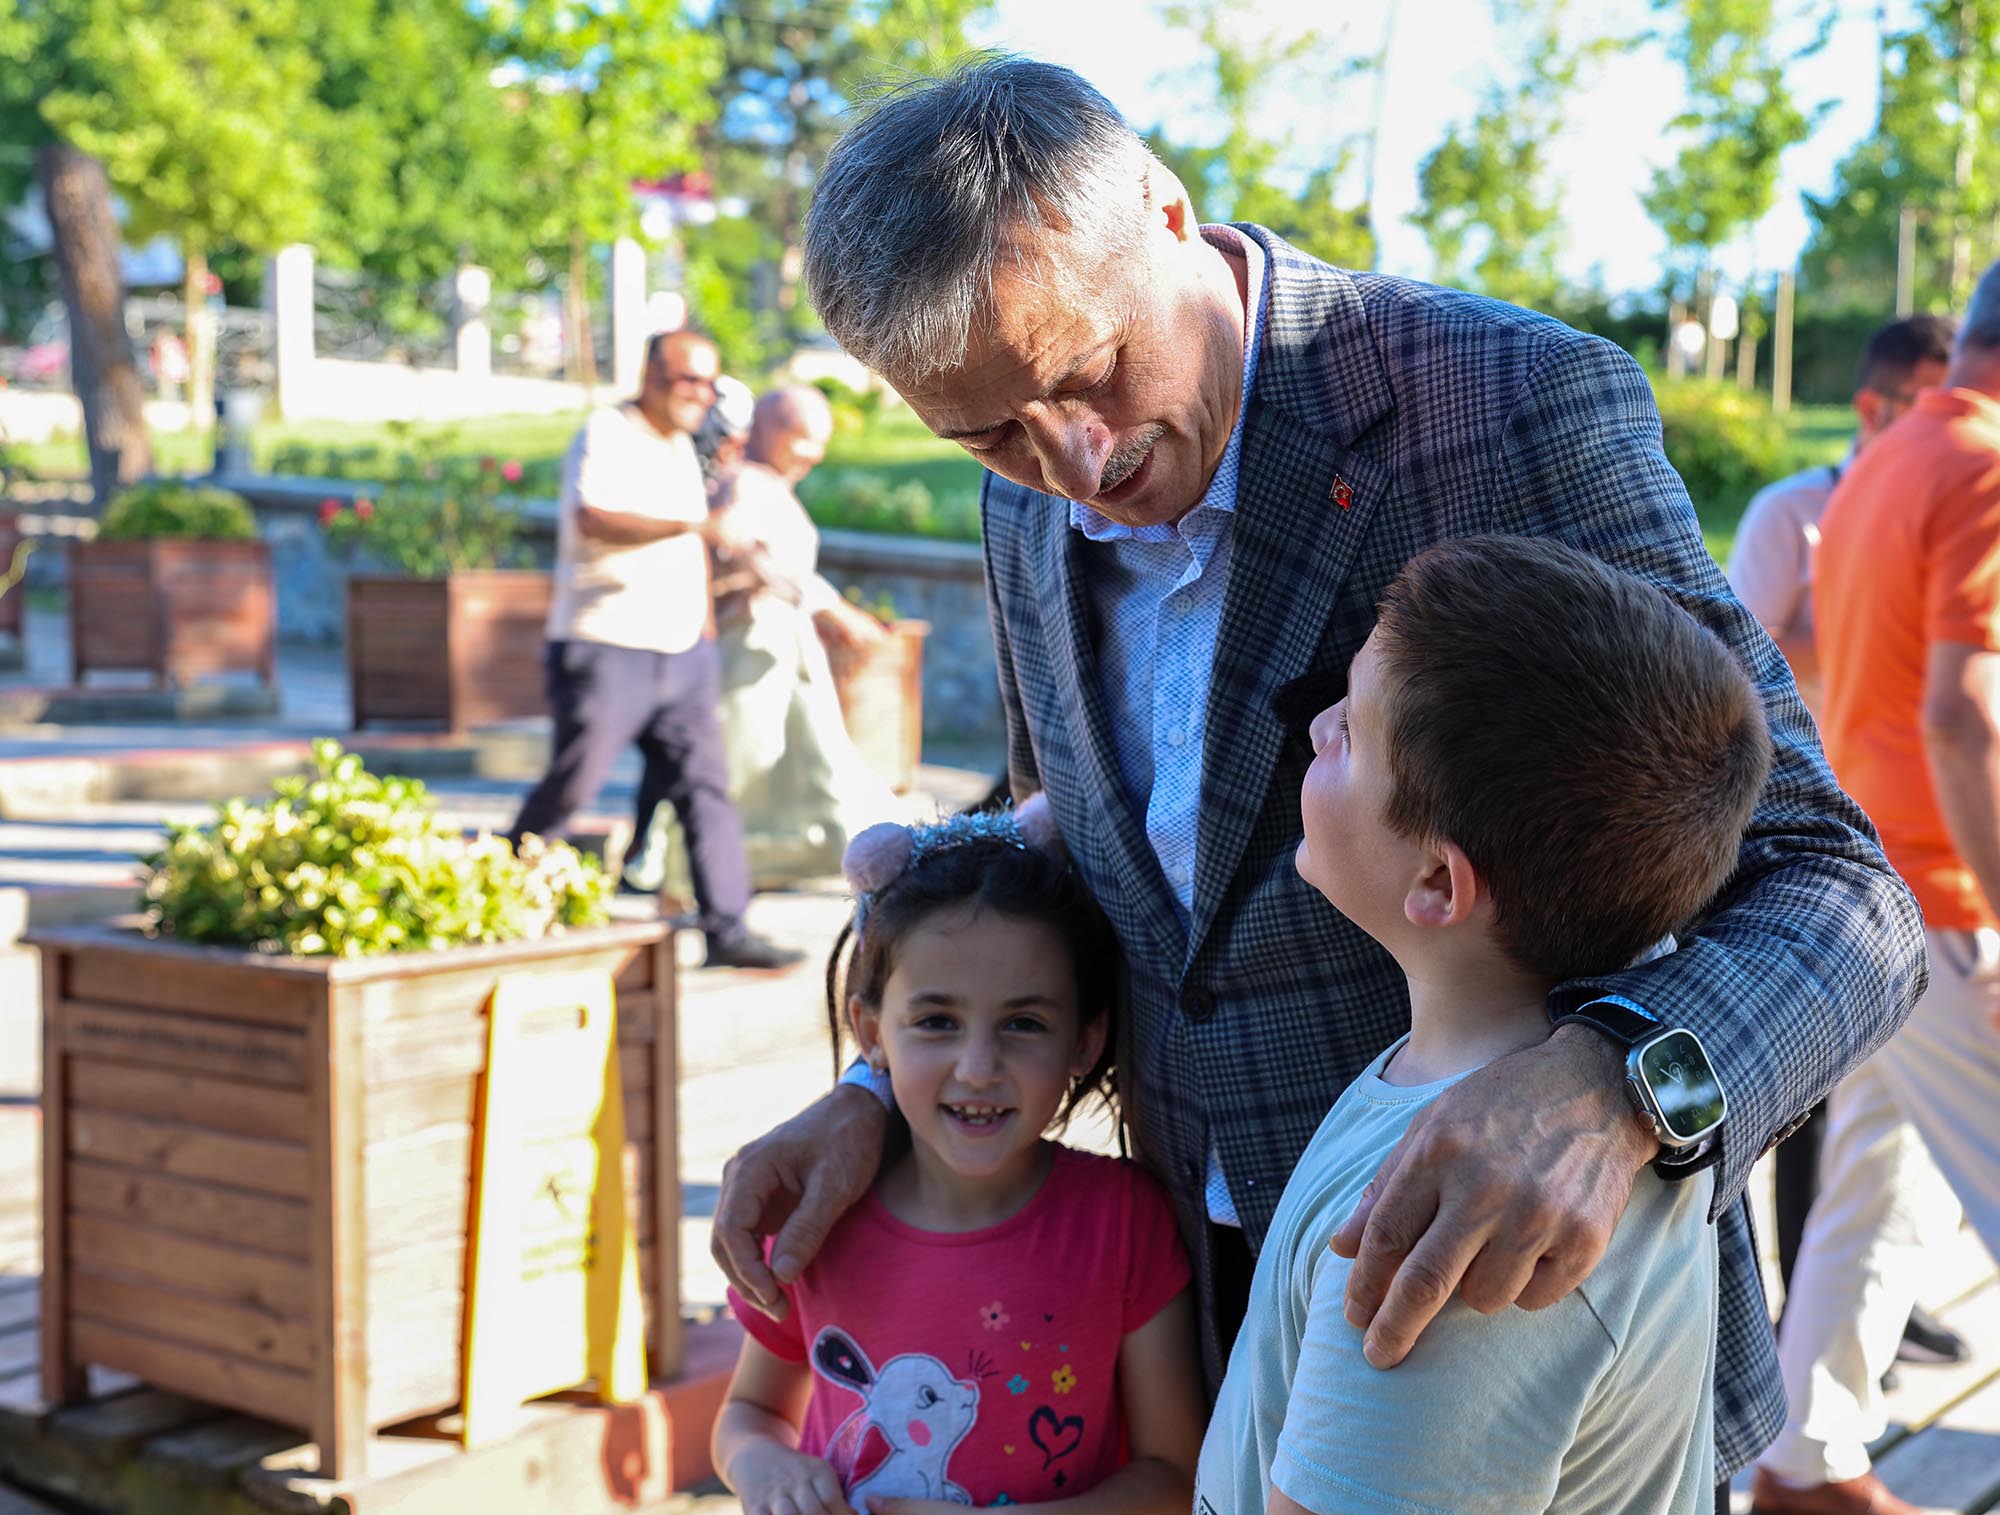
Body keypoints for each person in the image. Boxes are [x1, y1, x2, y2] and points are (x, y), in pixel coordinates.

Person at [712, 58, 1926, 1508]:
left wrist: (1615, 1086)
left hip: (1516, 1316)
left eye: (1092, 371)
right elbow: (1102, 844)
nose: (1074, 464)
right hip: (1199, 1320)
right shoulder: (1021, 495)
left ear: (1168, 211)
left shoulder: (1507, 402)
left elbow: (1839, 886)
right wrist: (874, 1090)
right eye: (984, 432)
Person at [1199, 535, 1768, 1514]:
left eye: (1349, 733)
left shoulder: (1458, 1231)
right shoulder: (1497, 1077)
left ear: (1435, 882)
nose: (1314, 729)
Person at [711, 799, 1204, 1515]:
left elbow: (1171, 1474)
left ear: (1085, 1042)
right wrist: (764, 1469)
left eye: (1023, 1023)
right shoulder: (816, 1218)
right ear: (871, 1031)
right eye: (937, 1021)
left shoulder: (1123, 1221)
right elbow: (749, 1413)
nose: (978, 1066)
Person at [1752, 264, 2000, 1515]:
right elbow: (1961, 718)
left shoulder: (1882, 465)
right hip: (1954, 897)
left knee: (1871, 1193)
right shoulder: (1983, 469)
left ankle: (1805, 1459)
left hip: (1869, 892)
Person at [1725, 314, 1967, 1373]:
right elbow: (1731, 651)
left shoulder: (1884, 486)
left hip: (1879, 841)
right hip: (1830, 840)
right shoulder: (1804, 506)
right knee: (1818, 1116)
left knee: (1872, 1145)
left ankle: (1836, 1382)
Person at [507, 329, 802, 971]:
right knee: (574, 783)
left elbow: (692, 548)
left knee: (707, 790)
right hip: (606, 645)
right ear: (650, 374)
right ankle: (498, 894)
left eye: (709, 383)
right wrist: (695, 523)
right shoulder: (608, 433)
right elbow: (592, 518)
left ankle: (727, 929)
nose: (700, 394)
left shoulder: (678, 448)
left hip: (681, 655)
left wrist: (701, 628)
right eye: (687, 379)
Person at [635, 385, 897, 887]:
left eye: (820, 442)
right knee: (739, 762)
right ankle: (684, 873)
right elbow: (761, 557)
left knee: (810, 766)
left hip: (780, 653)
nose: (814, 455)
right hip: (748, 649)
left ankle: (838, 857)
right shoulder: (743, 485)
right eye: (804, 439)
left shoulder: (762, 484)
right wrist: (837, 613)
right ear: (773, 432)